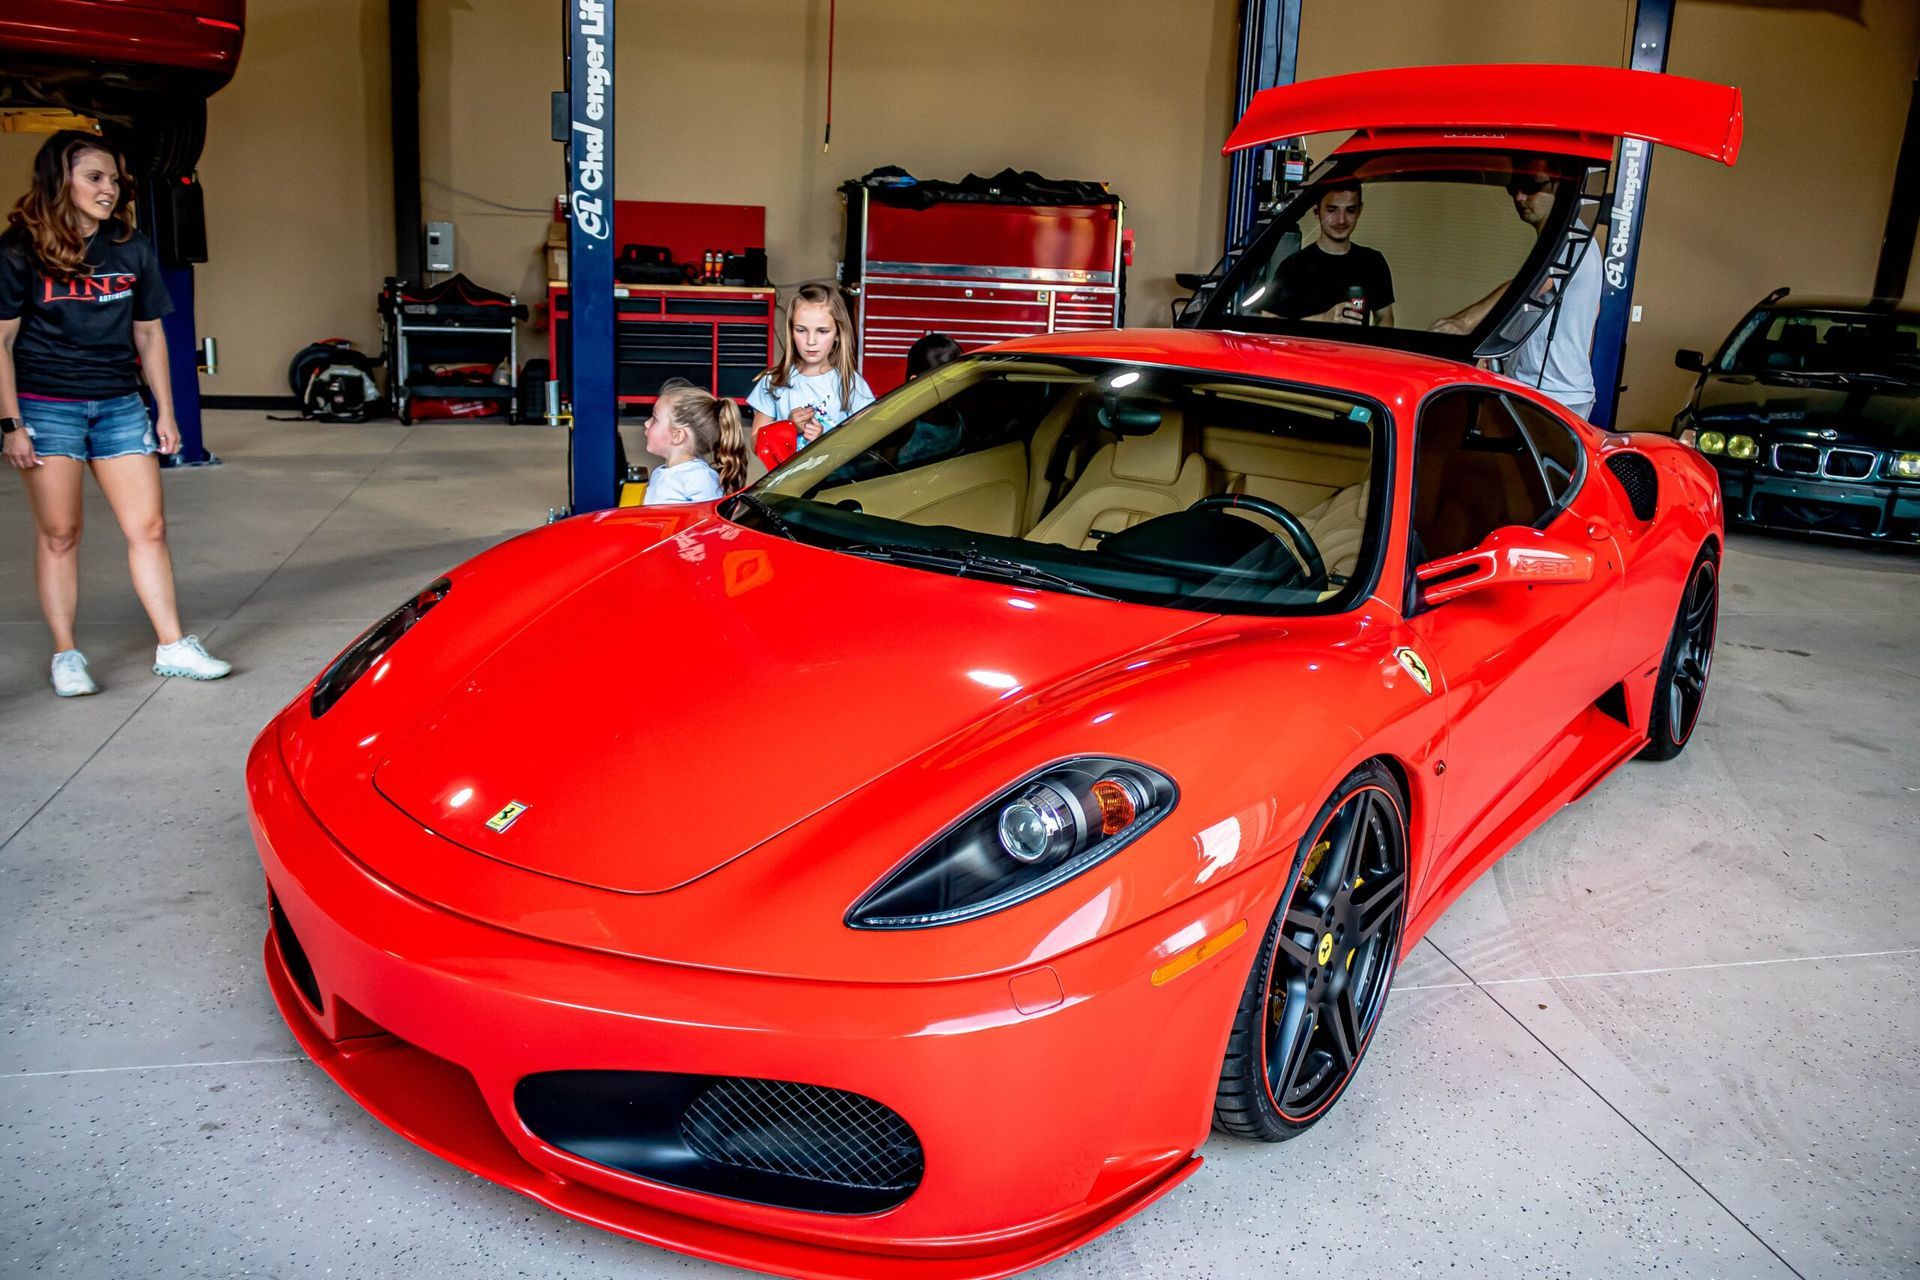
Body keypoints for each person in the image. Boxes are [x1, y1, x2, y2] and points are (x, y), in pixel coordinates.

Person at [0, 130, 230, 696]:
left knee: (149, 527)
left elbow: (150, 335)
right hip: (47, 407)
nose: (110, 189)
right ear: (60, 181)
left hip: (120, 405)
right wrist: (12, 425)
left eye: (114, 179)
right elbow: (0, 342)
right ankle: (66, 656)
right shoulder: (18, 249)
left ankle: (173, 646)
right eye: (95, 178)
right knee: (60, 534)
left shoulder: (131, 246)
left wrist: (166, 412)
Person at [1429, 158, 1603, 418]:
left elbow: (1531, 286)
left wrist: (1463, 324)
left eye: (1531, 186)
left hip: (1554, 393)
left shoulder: (1572, 238)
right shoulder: (1563, 241)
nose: (1519, 197)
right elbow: (1583, 310)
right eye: (1513, 188)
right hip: (1543, 386)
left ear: (1559, 186)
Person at [747, 281, 874, 450]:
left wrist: (824, 441)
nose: (811, 341)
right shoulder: (773, 381)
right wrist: (788, 429)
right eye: (801, 330)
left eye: (822, 331)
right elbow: (756, 444)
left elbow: (868, 442)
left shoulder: (852, 384)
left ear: (838, 333)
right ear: (791, 332)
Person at [1267, 182, 1395, 326]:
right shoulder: (1293, 266)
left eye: (1350, 210)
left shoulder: (1373, 262)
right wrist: (1323, 319)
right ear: (1317, 210)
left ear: (1360, 210)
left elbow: (1385, 318)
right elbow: (1269, 322)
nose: (1341, 220)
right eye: (1332, 210)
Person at [641, 377, 748, 505]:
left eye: (655, 419)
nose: (646, 423)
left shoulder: (699, 477)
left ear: (677, 435)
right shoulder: (660, 473)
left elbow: (710, 517)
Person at [895, 332, 964, 466]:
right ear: (915, 382)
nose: (954, 387)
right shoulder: (902, 427)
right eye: (944, 379)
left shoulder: (963, 416)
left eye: (959, 377)